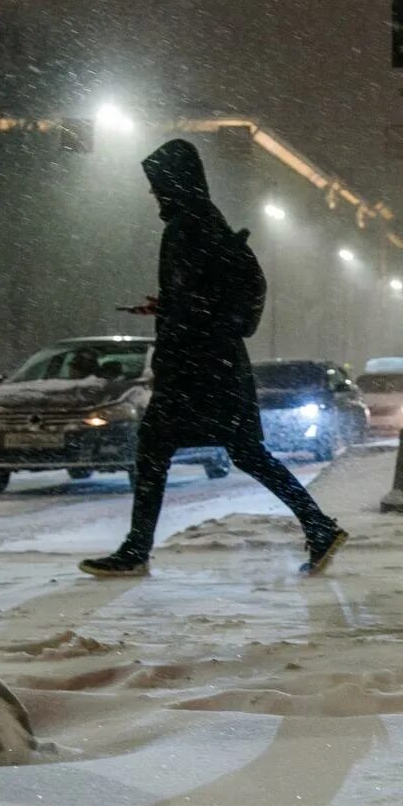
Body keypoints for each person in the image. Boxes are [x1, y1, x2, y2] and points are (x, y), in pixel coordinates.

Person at [79, 139, 346, 579]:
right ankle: (317, 525)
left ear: (173, 184)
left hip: (194, 368)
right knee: (246, 452)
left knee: (153, 451)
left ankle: (136, 550)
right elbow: (207, 296)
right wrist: (169, 305)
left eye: (157, 185)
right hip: (220, 363)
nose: (153, 194)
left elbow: (197, 301)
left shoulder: (185, 227)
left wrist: (175, 318)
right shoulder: (210, 221)